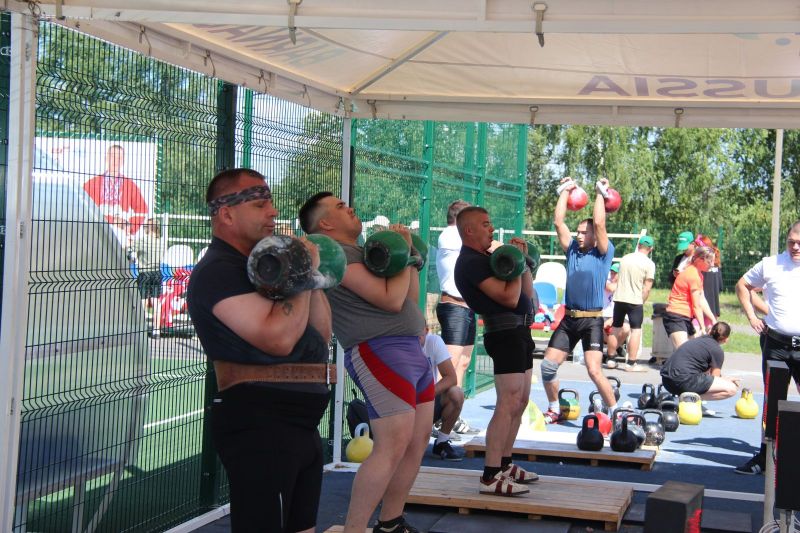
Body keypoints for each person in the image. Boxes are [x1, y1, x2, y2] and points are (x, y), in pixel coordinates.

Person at [186, 169, 333, 533]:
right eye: (259, 204)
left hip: (301, 423)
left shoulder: (264, 265)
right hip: (261, 424)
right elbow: (279, 339)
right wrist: (301, 270)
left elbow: (320, 336)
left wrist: (307, 273)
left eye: (271, 202)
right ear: (226, 213)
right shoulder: (217, 272)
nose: (273, 211)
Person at [298, 192, 431, 533]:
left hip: (411, 350)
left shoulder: (365, 254)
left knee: (416, 442)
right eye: (340, 207)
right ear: (325, 223)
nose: (351, 208)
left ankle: (390, 523)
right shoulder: (337, 256)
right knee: (391, 446)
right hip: (379, 351)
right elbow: (390, 300)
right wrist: (404, 253)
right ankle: (355, 529)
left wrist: (409, 258)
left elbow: (409, 301)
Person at [454, 206, 537, 496]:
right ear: (469, 230)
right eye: (486, 224)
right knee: (508, 402)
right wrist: (514, 263)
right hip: (504, 334)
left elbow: (526, 293)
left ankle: (505, 464)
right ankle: (490, 476)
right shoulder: (470, 262)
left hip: (520, 332)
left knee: (520, 401)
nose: (491, 229)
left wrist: (522, 263)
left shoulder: (487, 258)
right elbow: (509, 297)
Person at [540, 177, 618, 423]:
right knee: (547, 367)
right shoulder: (573, 250)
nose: (580, 235)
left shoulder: (603, 253)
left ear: (595, 235)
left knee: (594, 370)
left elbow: (600, 222)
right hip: (569, 320)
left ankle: (616, 413)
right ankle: (555, 408)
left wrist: (599, 193)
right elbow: (558, 222)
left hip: (592, 321)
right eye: (578, 232)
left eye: (585, 232)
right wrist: (565, 190)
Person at [733, 220, 800, 475]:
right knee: (773, 402)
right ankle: (765, 457)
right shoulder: (771, 264)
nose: (795, 247)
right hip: (776, 344)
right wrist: (752, 316)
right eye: (791, 242)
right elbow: (742, 285)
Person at [435, 199, 480, 436]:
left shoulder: (462, 237)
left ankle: (453, 414)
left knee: (462, 362)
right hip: (453, 308)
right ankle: (435, 416)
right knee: (448, 368)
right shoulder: (451, 235)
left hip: (468, 308)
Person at [660, 322, 739, 409]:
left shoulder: (697, 340)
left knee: (703, 375)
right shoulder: (717, 350)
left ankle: (685, 397)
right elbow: (715, 378)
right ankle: (689, 399)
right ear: (726, 340)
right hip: (683, 381)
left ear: (710, 331)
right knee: (731, 389)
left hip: (667, 381)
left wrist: (724, 379)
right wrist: (727, 380)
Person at [83, 144, 149, 241]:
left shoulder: (129, 185)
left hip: (119, 234)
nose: (116, 161)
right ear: (106, 158)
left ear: (123, 161)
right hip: (96, 230)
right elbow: (82, 207)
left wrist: (131, 226)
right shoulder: (92, 184)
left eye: (120, 158)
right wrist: (111, 220)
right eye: (113, 156)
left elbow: (142, 208)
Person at [420, 326, 465, 461]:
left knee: (456, 393)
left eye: (419, 333)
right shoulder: (400, 345)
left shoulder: (433, 341)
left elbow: (451, 378)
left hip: (426, 401)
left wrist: (425, 395)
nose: (416, 337)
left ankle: (441, 442)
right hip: (404, 407)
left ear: (426, 330)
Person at [613, 235, 656, 371]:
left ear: (638, 245)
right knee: (635, 330)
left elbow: (617, 277)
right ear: (651, 249)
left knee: (616, 327)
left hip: (619, 298)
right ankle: (631, 363)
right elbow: (647, 288)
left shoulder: (625, 258)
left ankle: (610, 359)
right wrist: (642, 301)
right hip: (635, 300)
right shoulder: (649, 264)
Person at [662, 246, 718, 350]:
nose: (712, 265)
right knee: (683, 352)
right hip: (676, 316)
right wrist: (702, 327)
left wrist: (713, 319)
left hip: (685, 316)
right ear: (700, 260)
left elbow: (702, 299)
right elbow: (696, 305)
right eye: (709, 261)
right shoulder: (693, 275)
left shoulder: (698, 274)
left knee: (690, 351)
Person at [130, 217, 165, 338]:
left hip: (144, 272)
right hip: (157, 273)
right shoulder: (161, 242)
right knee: (156, 301)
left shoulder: (142, 241)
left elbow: (130, 253)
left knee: (143, 301)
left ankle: (140, 329)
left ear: (148, 228)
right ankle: (156, 330)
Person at [602, 263, 629, 369]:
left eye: (615, 274)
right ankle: (614, 349)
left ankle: (610, 352)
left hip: (616, 316)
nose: (612, 275)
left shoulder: (626, 286)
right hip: (603, 314)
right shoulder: (605, 281)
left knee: (626, 329)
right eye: (611, 273)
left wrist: (612, 320)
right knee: (599, 326)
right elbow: (611, 288)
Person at [696, 234, 723, 318]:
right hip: (713, 309)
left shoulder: (700, 268)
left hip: (700, 309)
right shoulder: (717, 267)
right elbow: (720, 287)